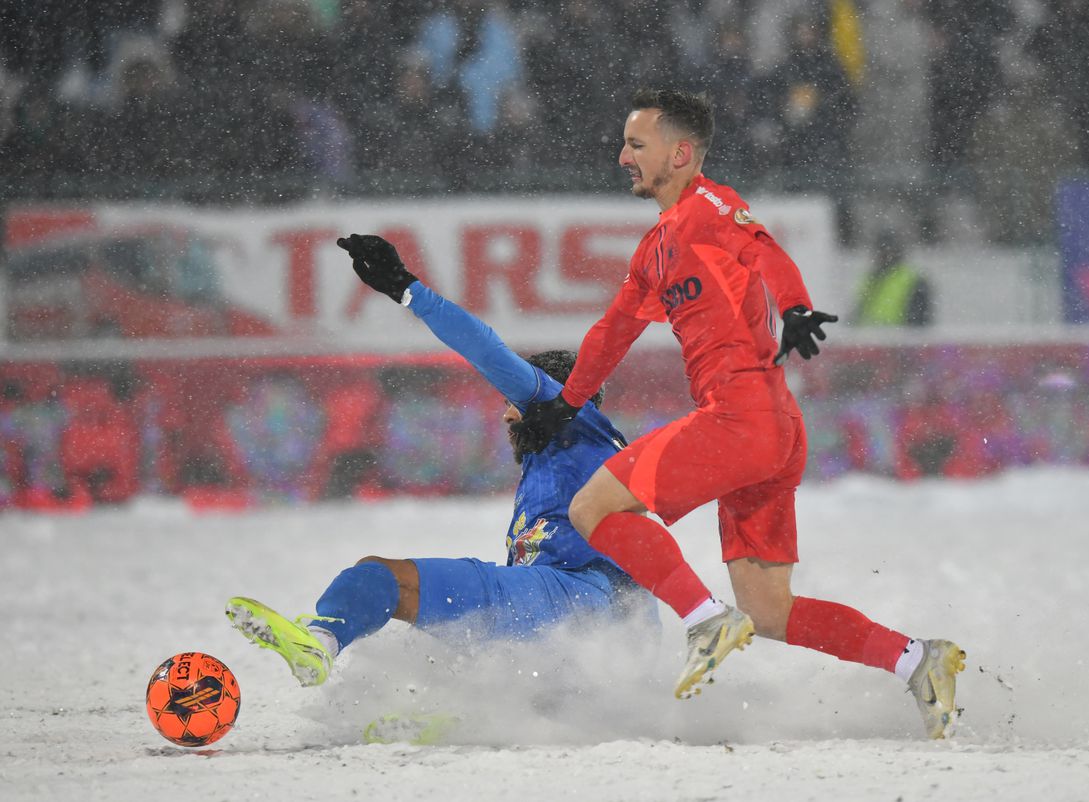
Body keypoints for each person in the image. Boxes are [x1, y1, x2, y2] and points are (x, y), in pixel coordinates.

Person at [515, 89, 965, 738]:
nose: (622, 157)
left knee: (592, 508)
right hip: (771, 434)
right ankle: (917, 661)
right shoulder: (655, 249)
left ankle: (702, 619)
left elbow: (765, 253)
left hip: (741, 415)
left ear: (681, 153)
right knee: (771, 611)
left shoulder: (709, 206)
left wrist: (798, 307)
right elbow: (613, 332)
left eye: (636, 145)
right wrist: (566, 405)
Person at [226, 234, 652, 688]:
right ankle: (460, 714)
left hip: (576, 597)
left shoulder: (567, 413)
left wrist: (405, 288)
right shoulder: (575, 454)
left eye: (513, 397)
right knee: (461, 652)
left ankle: (320, 641)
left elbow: (483, 347)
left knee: (379, 577)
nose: (506, 410)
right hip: (588, 620)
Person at [852, 229, 932, 326]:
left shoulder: (913, 280)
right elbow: (856, 316)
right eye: (880, 250)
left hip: (897, 339)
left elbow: (917, 325)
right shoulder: (871, 279)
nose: (883, 255)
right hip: (867, 339)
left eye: (888, 250)